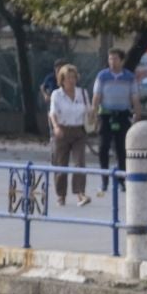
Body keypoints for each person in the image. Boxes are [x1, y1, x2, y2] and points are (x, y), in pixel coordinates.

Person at [92, 48, 140, 194]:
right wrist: (94, 115)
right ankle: (104, 179)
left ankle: (121, 180)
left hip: (123, 115)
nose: (112, 62)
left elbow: (135, 97)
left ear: (121, 60)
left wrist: (137, 114)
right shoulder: (102, 76)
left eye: (115, 59)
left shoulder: (129, 77)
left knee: (121, 149)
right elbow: (96, 97)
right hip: (106, 115)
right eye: (110, 59)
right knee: (103, 147)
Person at [47, 64, 93, 208]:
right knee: (61, 165)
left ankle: (80, 193)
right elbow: (53, 113)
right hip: (62, 131)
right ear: (62, 80)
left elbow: (89, 110)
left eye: (73, 77)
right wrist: (55, 127)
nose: (71, 81)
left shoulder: (83, 93)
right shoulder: (56, 94)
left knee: (80, 163)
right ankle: (61, 195)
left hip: (79, 131)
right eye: (68, 78)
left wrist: (93, 115)